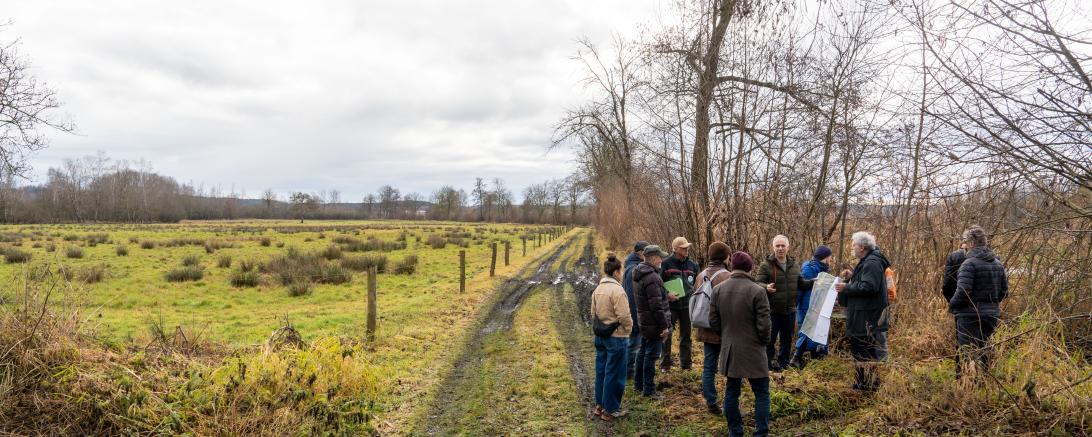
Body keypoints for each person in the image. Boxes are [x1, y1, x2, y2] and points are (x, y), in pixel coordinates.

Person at [710, 251, 771, 437]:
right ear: (750, 267)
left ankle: (735, 432)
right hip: (754, 349)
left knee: (731, 391)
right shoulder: (758, 291)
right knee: (761, 393)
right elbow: (764, 325)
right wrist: (764, 342)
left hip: (730, 348)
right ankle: (761, 433)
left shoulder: (718, 289)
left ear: (733, 267)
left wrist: (725, 336)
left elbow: (713, 320)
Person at [949, 225, 1008, 378]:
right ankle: (984, 385)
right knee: (985, 350)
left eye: (965, 242)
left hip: (969, 316)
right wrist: (991, 305)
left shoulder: (968, 264)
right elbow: (1004, 291)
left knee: (968, 353)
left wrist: (952, 305)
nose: (964, 245)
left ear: (972, 243)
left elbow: (963, 291)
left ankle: (969, 388)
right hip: (991, 316)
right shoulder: (997, 263)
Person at [835, 231, 891, 391]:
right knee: (863, 351)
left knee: (863, 351)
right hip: (865, 315)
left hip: (866, 317)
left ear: (862, 247)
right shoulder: (868, 261)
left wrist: (847, 287)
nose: (852, 247)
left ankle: (867, 384)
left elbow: (869, 286)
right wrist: (854, 276)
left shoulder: (872, 262)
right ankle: (865, 382)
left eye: (853, 245)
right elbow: (867, 281)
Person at [754, 235, 813, 372]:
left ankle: (784, 365)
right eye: (777, 246)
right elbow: (757, 283)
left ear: (788, 247)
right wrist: (766, 287)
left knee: (787, 340)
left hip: (790, 310)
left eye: (783, 246)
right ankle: (767, 365)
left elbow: (801, 283)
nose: (780, 248)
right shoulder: (766, 265)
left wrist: (815, 282)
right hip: (772, 311)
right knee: (769, 340)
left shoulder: (794, 265)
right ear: (773, 247)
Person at [591, 253, 633, 421]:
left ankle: (600, 406)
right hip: (617, 338)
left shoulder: (597, 289)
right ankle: (611, 409)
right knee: (614, 374)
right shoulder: (617, 290)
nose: (621, 274)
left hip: (600, 336)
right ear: (616, 272)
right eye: (620, 271)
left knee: (601, 371)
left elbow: (593, 312)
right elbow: (624, 316)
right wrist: (629, 329)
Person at [693, 241, 732, 415]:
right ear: (725, 257)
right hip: (724, 331)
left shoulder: (701, 275)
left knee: (709, 367)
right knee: (730, 368)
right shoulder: (727, 277)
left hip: (705, 328)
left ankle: (711, 401)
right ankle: (730, 402)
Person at [633, 244, 672, 399]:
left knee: (642, 352)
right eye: (660, 257)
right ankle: (649, 390)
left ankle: (638, 384)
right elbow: (656, 306)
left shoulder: (639, 272)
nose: (661, 260)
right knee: (651, 356)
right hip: (654, 324)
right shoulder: (652, 277)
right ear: (654, 258)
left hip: (644, 321)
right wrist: (664, 326)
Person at [789, 245, 833, 369]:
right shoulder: (809, 268)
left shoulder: (823, 268)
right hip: (806, 305)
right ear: (825, 257)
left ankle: (815, 359)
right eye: (830, 256)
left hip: (818, 305)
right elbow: (801, 288)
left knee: (817, 331)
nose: (831, 259)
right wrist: (797, 305)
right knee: (806, 331)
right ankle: (796, 358)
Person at [660, 237, 699, 372]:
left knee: (686, 335)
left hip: (687, 306)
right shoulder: (665, 264)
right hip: (671, 306)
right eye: (683, 248)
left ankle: (686, 365)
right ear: (675, 249)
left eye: (687, 247)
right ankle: (665, 365)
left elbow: (697, 284)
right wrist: (666, 294)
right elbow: (658, 284)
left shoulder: (693, 265)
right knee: (667, 335)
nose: (686, 249)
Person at [622, 241, 648, 379]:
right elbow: (632, 296)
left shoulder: (633, 266)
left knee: (634, 343)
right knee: (633, 344)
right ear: (640, 253)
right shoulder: (633, 269)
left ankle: (630, 370)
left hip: (636, 312)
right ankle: (628, 372)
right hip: (635, 313)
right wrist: (635, 317)